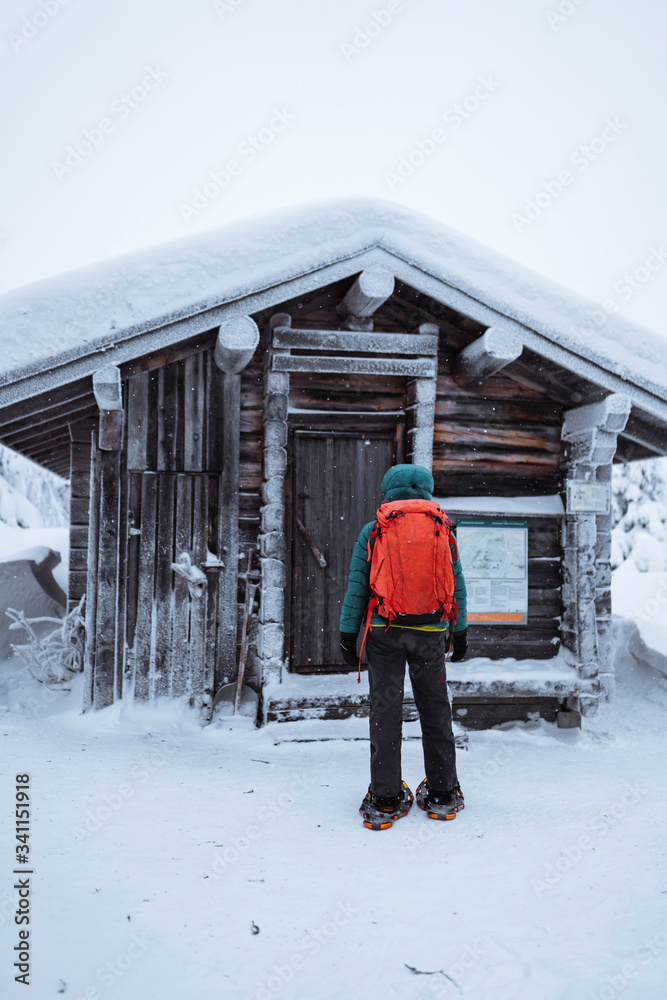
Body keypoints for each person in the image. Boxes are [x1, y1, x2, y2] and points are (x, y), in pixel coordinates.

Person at [339, 463, 468, 830]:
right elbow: (456, 585)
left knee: (386, 713)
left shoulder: (375, 529)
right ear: (426, 490)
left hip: (385, 631)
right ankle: (443, 792)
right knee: (435, 710)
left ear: (388, 489)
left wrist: (349, 635)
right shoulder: (442, 527)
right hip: (431, 633)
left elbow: (357, 588)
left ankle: (386, 796)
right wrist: (459, 631)